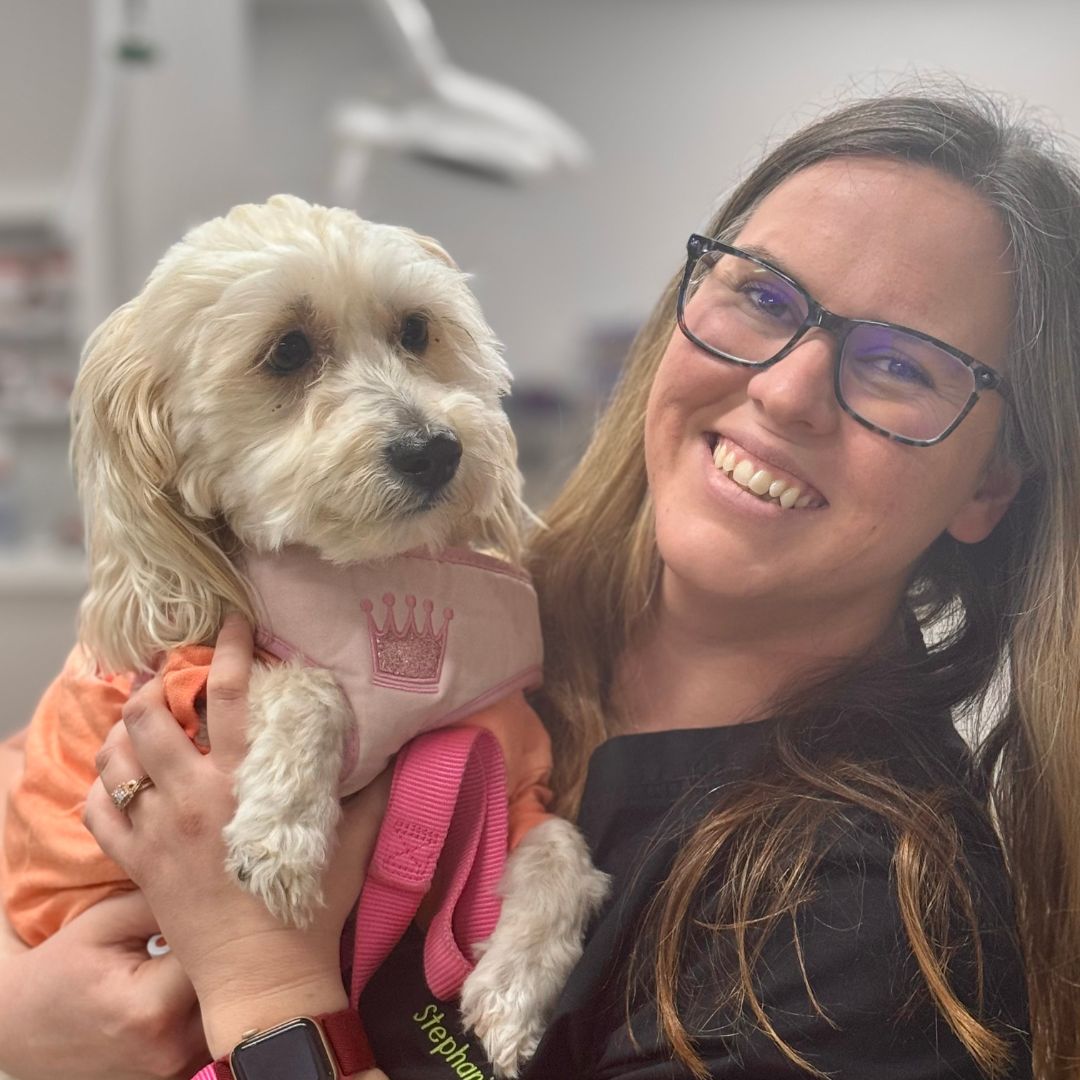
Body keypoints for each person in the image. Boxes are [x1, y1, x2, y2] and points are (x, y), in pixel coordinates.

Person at [4, 86, 1080, 1078]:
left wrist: (257, 981)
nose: (787, 391)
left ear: (990, 481)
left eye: (900, 364)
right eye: (764, 295)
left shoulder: (874, 927)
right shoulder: (468, 618)